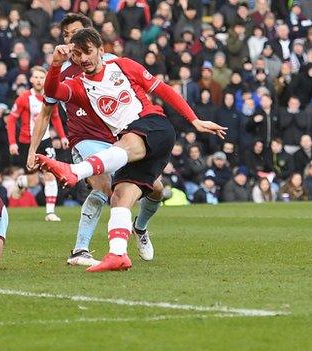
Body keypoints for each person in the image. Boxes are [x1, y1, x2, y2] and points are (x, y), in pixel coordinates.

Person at [36, 28, 226, 272]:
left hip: (153, 126)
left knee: (124, 145)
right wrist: (54, 65)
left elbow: (163, 90)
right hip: (131, 143)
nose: (83, 58)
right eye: (77, 54)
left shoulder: (124, 66)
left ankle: (75, 171)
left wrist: (194, 120)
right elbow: (52, 92)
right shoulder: (79, 86)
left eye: (88, 52)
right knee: (121, 197)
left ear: (101, 50)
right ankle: (119, 252)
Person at [26, 14, 117, 265]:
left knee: (151, 188)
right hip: (83, 139)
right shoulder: (60, 73)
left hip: (116, 137)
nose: (70, 40)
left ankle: (140, 229)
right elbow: (45, 114)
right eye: (66, 36)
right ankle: (80, 250)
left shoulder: (111, 63)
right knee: (102, 185)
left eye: (75, 33)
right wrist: (33, 149)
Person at [7, 65, 67, 222]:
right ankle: (21, 181)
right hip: (27, 142)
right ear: (31, 79)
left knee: (50, 175)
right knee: (33, 180)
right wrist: (12, 143)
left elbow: (54, 117)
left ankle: (50, 213)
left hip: (45, 140)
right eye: (37, 77)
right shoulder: (23, 98)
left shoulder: (50, 97)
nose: (39, 80)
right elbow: (12, 119)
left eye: (42, 77)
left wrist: (62, 137)